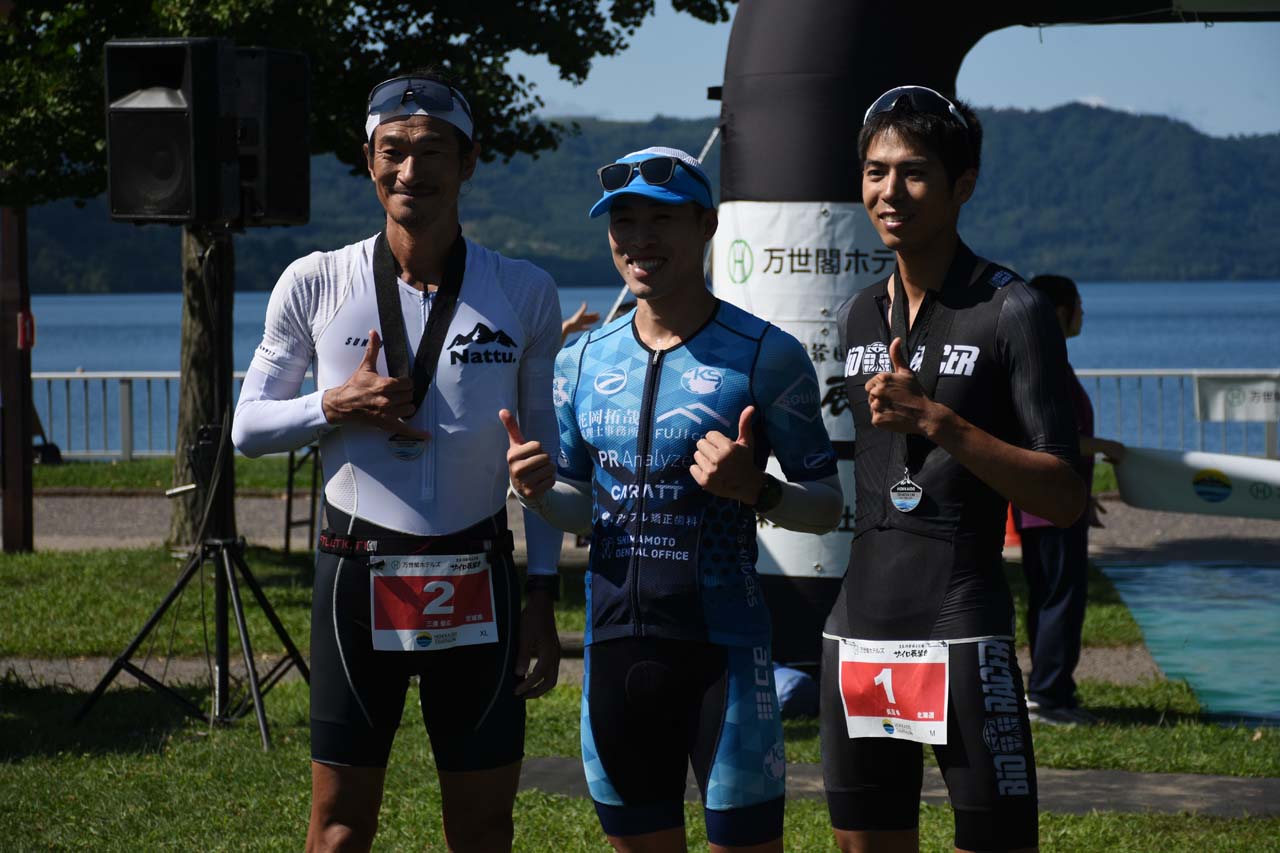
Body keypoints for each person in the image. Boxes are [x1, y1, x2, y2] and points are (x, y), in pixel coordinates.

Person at [231, 69, 563, 853]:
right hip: (356, 573)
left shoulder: (524, 289)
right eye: (394, 150)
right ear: (369, 159)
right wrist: (332, 405)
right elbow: (247, 427)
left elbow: (542, 459)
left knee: (484, 828)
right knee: (339, 828)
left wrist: (543, 594)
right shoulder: (316, 281)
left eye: (434, 150)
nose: (412, 169)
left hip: (477, 571)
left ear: (469, 161)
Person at [504, 146, 843, 852]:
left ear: (706, 226)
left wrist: (757, 489)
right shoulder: (580, 360)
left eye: (660, 219)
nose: (639, 239)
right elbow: (585, 508)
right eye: (623, 222)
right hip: (614, 651)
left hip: (725, 656)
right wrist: (538, 493)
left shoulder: (766, 354)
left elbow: (827, 506)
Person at [822, 86, 1087, 853]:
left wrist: (939, 420)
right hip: (857, 632)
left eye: (914, 172)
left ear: (962, 184)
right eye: (875, 171)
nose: (889, 192)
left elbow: (1065, 496)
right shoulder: (857, 314)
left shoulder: (1012, 309)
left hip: (960, 628)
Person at [1015, 274, 1126, 726]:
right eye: (1079, 304)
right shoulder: (1047, 364)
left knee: (1051, 596)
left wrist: (1084, 496)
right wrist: (1107, 447)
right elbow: (1052, 439)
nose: (1084, 313)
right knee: (1060, 599)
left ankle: (1051, 690)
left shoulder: (1043, 360)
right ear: (1061, 311)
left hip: (1051, 504)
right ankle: (1048, 695)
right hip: (1049, 509)